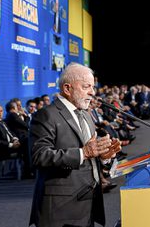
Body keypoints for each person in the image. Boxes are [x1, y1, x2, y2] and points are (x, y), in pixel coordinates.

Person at [29, 64, 121, 227]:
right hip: (61, 210)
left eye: (93, 87)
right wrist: (83, 153)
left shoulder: (86, 114)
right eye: (86, 87)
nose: (92, 92)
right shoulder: (46, 115)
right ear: (67, 88)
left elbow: (90, 158)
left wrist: (103, 159)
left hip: (88, 205)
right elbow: (39, 156)